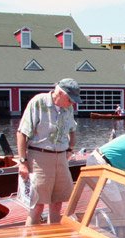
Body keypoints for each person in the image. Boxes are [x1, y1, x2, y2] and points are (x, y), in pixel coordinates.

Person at [16, 79, 79, 226]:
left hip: (61, 157)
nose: (72, 103)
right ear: (59, 93)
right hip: (39, 157)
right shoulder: (38, 102)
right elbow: (21, 133)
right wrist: (22, 162)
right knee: (37, 205)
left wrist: (71, 147)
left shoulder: (68, 108)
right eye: (70, 99)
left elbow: (73, 128)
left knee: (57, 202)